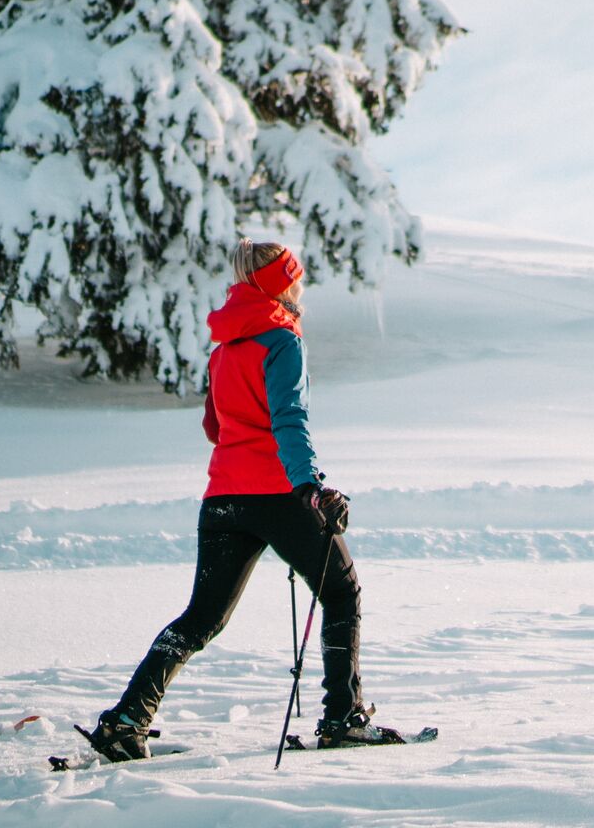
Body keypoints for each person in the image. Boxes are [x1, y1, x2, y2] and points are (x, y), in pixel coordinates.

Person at [77, 239, 401, 761]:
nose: (300, 286)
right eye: (295, 278)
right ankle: (342, 717)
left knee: (199, 619)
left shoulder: (223, 345)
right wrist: (310, 486)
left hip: (224, 495)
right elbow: (289, 421)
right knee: (341, 592)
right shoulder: (283, 341)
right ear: (282, 283)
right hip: (278, 492)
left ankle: (126, 719)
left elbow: (214, 426)